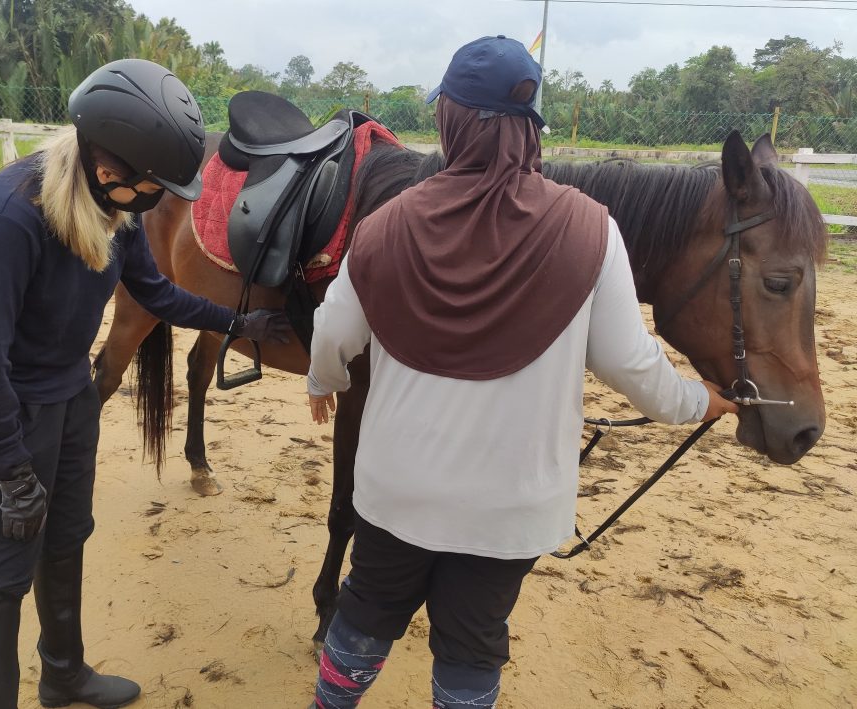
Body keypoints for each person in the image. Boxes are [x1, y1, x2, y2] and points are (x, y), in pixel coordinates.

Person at [305, 36, 739, 708]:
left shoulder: (386, 224)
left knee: (364, 611)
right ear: (531, 128)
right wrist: (696, 402)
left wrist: (322, 381)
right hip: (511, 505)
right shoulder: (592, 229)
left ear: (449, 121)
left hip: (397, 489)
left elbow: (334, 332)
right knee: (475, 637)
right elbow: (633, 365)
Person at [0, 59, 290, 709]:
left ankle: (62, 672)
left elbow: (156, 292)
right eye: (157, 185)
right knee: (1, 575)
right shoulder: (5, 221)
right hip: (3, 405)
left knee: (68, 532)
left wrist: (238, 320)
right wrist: (12, 472)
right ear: (109, 170)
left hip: (70, 392)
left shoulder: (114, 210)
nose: (161, 199)